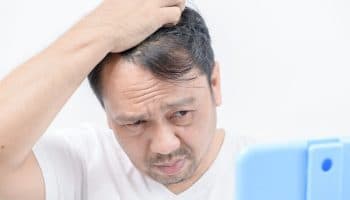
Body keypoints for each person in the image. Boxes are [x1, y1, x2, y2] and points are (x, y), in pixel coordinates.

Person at [0, 1, 251, 200]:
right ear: (108, 113)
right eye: (135, 123)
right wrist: (102, 29)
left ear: (215, 84)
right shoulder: (83, 165)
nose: (164, 145)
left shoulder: (276, 175)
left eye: (181, 113)